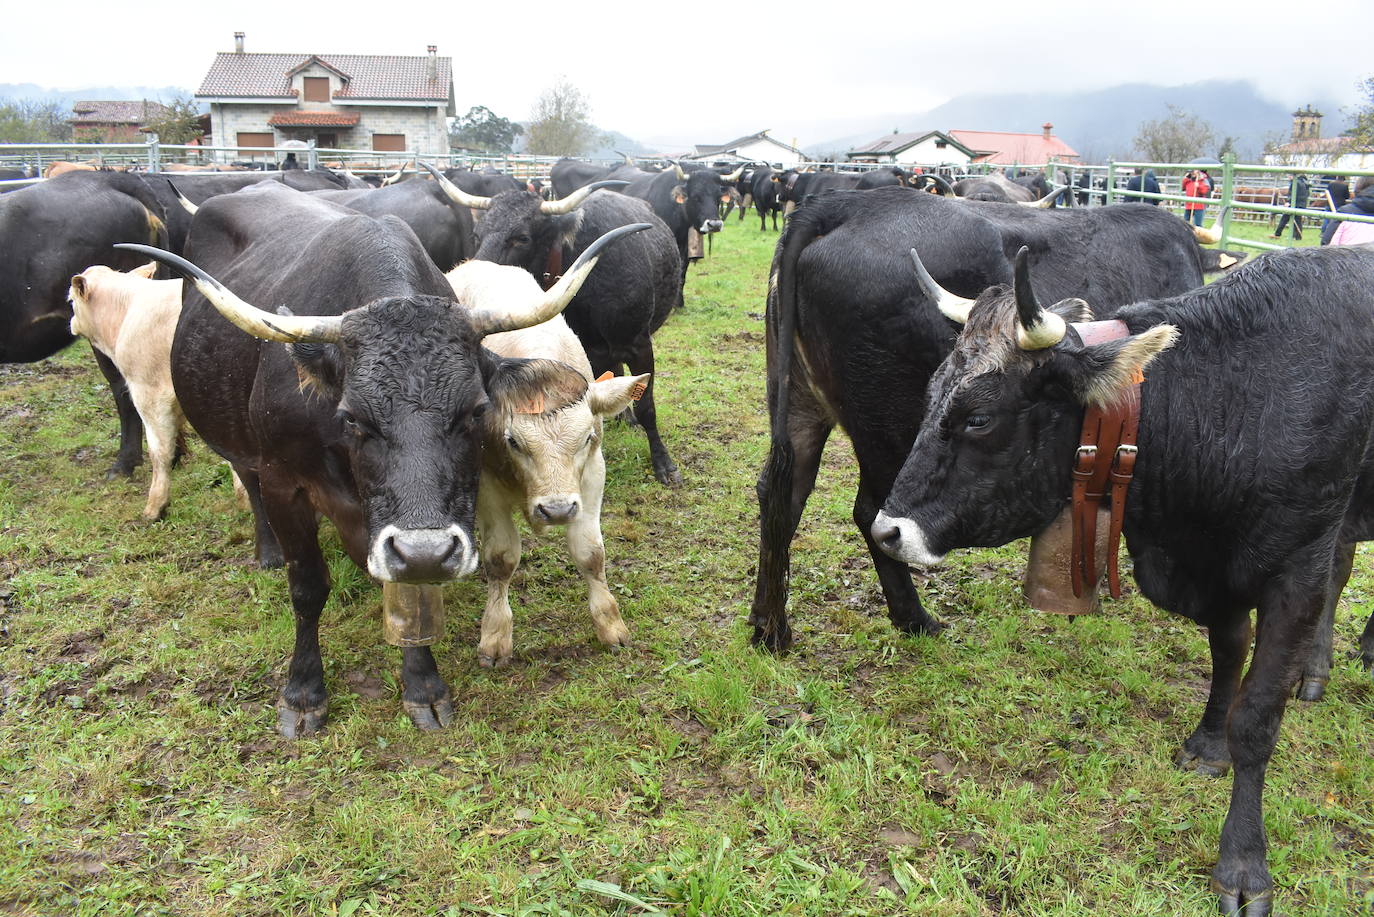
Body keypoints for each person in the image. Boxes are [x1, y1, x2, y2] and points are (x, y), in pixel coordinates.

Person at [1320, 175, 1374, 246]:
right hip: (1340, 203)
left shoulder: (1331, 184)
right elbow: (1347, 196)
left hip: (1333, 204)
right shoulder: (1344, 186)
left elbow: (1325, 242)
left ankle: (1323, 231)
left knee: (1327, 219)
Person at [1272, 173, 1309, 240]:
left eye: (1289, 176)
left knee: (1285, 218)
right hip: (1300, 204)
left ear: (1292, 176)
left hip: (1294, 204)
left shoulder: (1295, 183)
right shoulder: (1303, 182)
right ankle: (1297, 236)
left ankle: (1277, 234)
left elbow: (1293, 193)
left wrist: (1289, 202)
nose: (1288, 177)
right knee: (1297, 220)